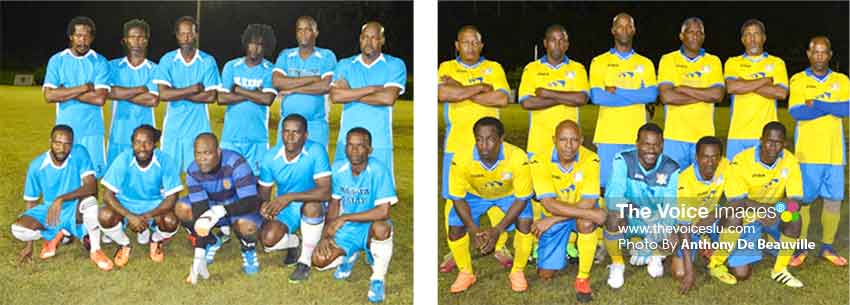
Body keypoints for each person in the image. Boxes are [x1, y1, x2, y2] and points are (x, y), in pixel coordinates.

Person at [437, 25, 513, 272]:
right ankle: (456, 248)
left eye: (474, 42)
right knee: (454, 198)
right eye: (465, 42)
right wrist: (480, 88)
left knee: (495, 193)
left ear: (481, 45)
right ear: (457, 45)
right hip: (456, 147)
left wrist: (461, 90)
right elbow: (441, 92)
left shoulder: (494, 68)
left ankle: (500, 244)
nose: (470, 46)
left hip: (491, 147)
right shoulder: (447, 67)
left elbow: (502, 99)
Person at [443, 117, 534, 293]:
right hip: (475, 195)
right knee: (455, 228)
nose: (484, 145)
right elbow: (458, 198)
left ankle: (518, 271)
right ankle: (466, 272)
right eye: (479, 139)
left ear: (501, 139)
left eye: (490, 139)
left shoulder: (518, 157)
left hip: (509, 195)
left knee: (525, 223)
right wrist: (473, 229)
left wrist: (498, 230)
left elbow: (522, 198)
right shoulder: (461, 158)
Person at [312, 128, 397, 303]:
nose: (355, 150)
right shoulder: (338, 169)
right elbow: (334, 204)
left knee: (382, 229)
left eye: (360, 146)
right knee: (319, 260)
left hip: (371, 225)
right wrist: (326, 235)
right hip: (348, 228)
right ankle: (348, 257)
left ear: (369, 149)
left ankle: (378, 279)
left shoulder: (379, 170)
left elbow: (383, 211)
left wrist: (345, 218)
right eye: (350, 145)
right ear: (345, 148)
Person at [787, 36, 849, 268]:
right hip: (807, 154)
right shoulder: (799, 80)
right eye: (816, 52)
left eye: (824, 52)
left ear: (830, 55)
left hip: (834, 154)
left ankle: (827, 247)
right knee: (803, 202)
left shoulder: (841, 80)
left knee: (833, 201)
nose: (820, 56)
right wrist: (831, 107)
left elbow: (847, 108)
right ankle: (801, 247)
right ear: (809, 54)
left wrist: (817, 104)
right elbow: (797, 112)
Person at [11, 125, 109, 270]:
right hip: (52, 211)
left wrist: (61, 199)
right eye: (57, 143)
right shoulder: (36, 166)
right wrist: (29, 245)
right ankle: (57, 233)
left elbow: (91, 186)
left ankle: (96, 250)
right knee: (18, 229)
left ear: (72, 144)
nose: (62, 149)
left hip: (75, 207)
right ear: (50, 141)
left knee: (91, 202)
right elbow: (31, 201)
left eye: (67, 144)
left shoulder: (79, 153)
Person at [529, 120, 606, 302]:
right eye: (563, 140)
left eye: (574, 140)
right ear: (554, 139)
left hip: (568, 216)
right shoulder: (539, 160)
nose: (569, 146)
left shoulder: (591, 159)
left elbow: (588, 201)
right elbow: (548, 203)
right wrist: (592, 213)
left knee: (586, 223)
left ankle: (583, 278)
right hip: (559, 213)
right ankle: (564, 248)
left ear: (581, 140)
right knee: (545, 275)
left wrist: (552, 220)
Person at [722, 122, 806, 288]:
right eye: (769, 141)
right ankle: (744, 246)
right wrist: (763, 211)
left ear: (785, 143)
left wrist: (776, 210)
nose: (773, 146)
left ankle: (780, 269)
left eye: (778, 142)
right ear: (761, 140)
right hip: (748, 216)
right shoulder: (741, 161)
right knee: (741, 274)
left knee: (795, 217)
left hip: (773, 213)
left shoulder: (790, 160)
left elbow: (796, 201)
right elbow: (736, 202)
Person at [175, 133, 264, 284]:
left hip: (238, 207)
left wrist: (221, 211)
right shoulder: (193, 171)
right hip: (213, 208)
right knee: (183, 208)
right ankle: (212, 241)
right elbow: (200, 213)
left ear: (218, 151)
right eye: (198, 153)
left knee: (246, 226)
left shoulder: (235, 163)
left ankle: (248, 249)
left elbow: (251, 201)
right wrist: (199, 255)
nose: (202, 158)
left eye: (207, 153)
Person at [604, 123, 680, 289]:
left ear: (662, 145)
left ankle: (655, 255)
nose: (651, 149)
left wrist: (652, 243)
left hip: (655, 223)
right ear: (637, 143)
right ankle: (617, 264)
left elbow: (670, 209)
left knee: (675, 236)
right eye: (646, 143)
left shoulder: (672, 168)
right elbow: (612, 198)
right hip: (630, 219)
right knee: (613, 217)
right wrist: (642, 212)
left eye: (656, 144)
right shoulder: (623, 160)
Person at [589, 13, 659, 190]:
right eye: (620, 26)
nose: (625, 30)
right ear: (613, 31)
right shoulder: (599, 62)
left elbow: (651, 95)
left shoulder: (645, 63)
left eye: (629, 26)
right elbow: (597, 97)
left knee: (635, 188)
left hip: (637, 137)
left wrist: (616, 92)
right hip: (608, 136)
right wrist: (637, 93)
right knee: (607, 186)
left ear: (634, 30)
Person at [258, 114, 331, 283]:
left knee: (311, 206)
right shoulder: (270, 157)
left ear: (305, 135)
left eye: (296, 132)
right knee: (268, 240)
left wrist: (289, 197)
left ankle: (304, 261)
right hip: (287, 206)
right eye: (286, 132)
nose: (290, 137)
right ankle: (294, 242)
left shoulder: (316, 150)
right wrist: (264, 206)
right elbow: (263, 195)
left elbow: (325, 191)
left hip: (314, 201)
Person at [99, 125, 182, 267]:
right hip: (126, 204)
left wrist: (146, 217)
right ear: (132, 143)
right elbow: (107, 195)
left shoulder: (165, 160)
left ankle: (156, 240)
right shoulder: (124, 158)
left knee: (171, 221)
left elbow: (172, 198)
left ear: (154, 144)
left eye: (147, 143)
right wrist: (130, 216)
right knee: (104, 216)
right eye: (137, 142)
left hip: (154, 207)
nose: (142, 147)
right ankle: (124, 244)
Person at [330, 21, 406, 174]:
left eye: (374, 38)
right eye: (365, 37)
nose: (368, 42)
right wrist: (371, 89)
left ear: (382, 40)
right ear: (360, 38)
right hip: (347, 141)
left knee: (379, 193)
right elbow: (336, 96)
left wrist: (350, 93)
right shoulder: (345, 64)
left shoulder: (394, 64)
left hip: (379, 143)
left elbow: (388, 99)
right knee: (342, 191)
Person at [42, 16, 110, 177]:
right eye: (79, 35)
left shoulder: (100, 62)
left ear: (92, 38)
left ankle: (91, 203)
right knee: (66, 175)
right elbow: (49, 95)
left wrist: (65, 92)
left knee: (92, 176)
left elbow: (100, 99)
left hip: (92, 131)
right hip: (65, 132)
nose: (83, 40)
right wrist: (84, 87)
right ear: (71, 36)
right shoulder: (57, 60)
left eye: (87, 36)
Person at [152, 16, 221, 173]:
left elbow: (211, 96)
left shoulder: (207, 61)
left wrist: (176, 91)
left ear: (196, 34)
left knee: (199, 174)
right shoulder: (167, 60)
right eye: (182, 33)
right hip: (173, 129)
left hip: (198, 127)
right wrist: (193, 89)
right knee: (168, 174)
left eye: (190, 33)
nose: (186, 37)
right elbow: (163, 94)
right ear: (176, 35)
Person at [669, 136, 737, 293]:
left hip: (711, 219)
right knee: (680, 273)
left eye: (715, 157)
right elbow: (685, 228)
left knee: (735, 216)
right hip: (690, 225)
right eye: (705, 157)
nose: (710, 162)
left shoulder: (727, 166)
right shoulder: (685, 180)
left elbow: (738, 201)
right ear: (697, 157)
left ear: (720, 157)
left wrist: (716, 213)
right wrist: (690, 273)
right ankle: (697, 244)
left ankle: (716, 262)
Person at [657, 17, 725, 169]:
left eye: (699, 32)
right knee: (672, 185)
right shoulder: (668, 60)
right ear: (682, 36)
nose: (695, 36)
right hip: (674, 137)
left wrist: (683, 89)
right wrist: (703, 96)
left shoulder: (713, 61)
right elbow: (666, 96)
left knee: (700, 185)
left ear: (703, 36)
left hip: (704, 138)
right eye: (690, 32)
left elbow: (717, 95)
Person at [723, 19, 788, 160]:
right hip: (737, 135)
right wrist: (765, 80)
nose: (752, 38)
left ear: (764, 38)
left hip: (767, 137)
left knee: (765, 180)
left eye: (756, 34)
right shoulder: (733, 62)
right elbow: (732, 87)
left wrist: (744, 83)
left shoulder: (776, 63)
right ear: (742, 39)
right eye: (748, 34)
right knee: (735, 180)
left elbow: (780, 93)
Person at [218, 24, 278, 175]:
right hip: (231, 138)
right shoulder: (231, 66)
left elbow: (267, 99)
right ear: (246, 43)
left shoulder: (270, 70)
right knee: (228, 184)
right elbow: (222, 98)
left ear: (266, 47)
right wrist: (254, 94)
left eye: (260, 44)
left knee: (257, 185)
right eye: (252, 43)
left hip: (257, 139)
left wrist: (238, 89)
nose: (255, 48)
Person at [273, 16, 337, 148]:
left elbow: (325, 86)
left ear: (316, 33)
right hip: (287, 124)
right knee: (285, 166)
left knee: (314, 166)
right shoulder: (286, 55)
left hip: (315, 125)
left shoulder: (326, 56)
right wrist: (313, 79)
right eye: (299, 30)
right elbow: (277, 82)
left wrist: (292, 89)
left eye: (308, 30)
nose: (303, 34)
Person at [106, 19, 159, 166]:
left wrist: (121, 93)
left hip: (146, 137)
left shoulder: (155, 69)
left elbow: (152, 100)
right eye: (132, 37)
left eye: (141, 37)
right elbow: (109, 93)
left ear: (146, 41)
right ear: (125, 40)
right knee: (115, 182)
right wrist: (140, 89)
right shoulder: (113, 67)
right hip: (118, 133)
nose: (136, 41)